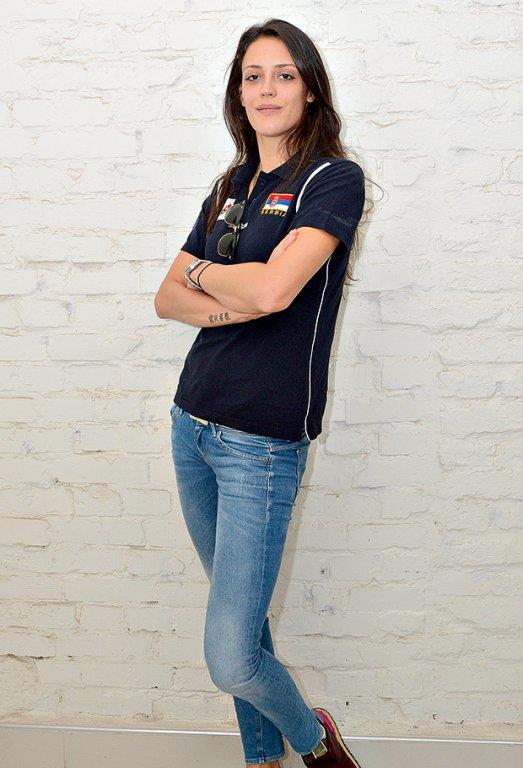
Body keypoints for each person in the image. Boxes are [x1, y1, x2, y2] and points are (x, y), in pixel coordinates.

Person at [154, 18, 366, 768]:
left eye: (283, 74)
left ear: (309, 90)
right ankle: (261, 759)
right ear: (237, 93)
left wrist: (208, 277)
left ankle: (314, 740)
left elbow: (275, 292)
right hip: (192, 423)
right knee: (244, 628)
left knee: (231, 657)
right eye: (252, 76)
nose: (266, 89)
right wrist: (232, 296)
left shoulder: (330, 180)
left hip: (262, 445)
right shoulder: (231, 186)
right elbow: (165, 298)